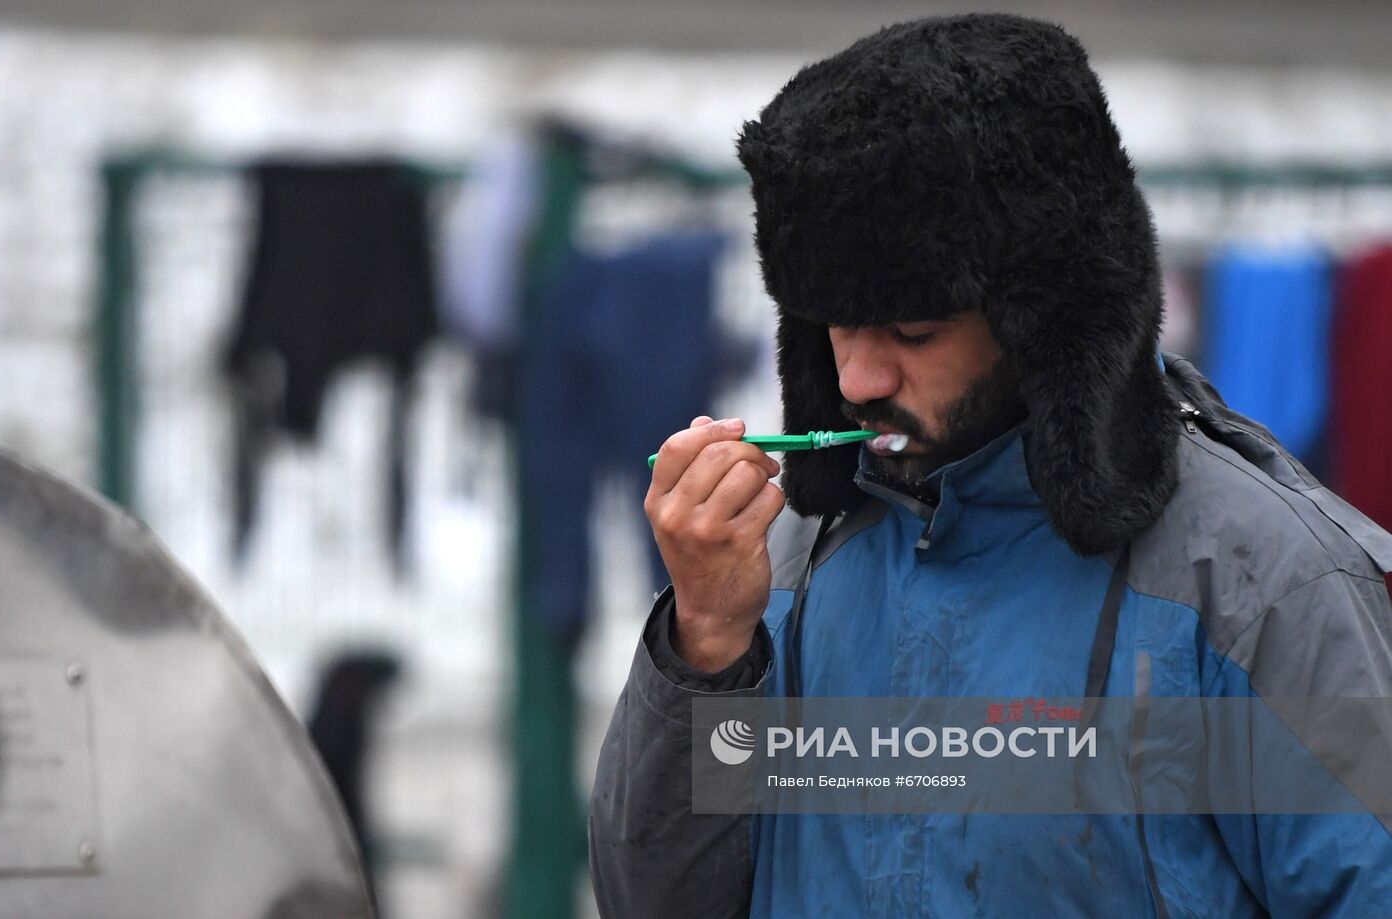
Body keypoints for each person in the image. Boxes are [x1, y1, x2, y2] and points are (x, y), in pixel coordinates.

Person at [588, 13, 1392, 918]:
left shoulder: (1259, 584)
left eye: (913, 330)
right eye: (834, 325)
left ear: (1044, 318)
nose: (856, 376)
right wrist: (705, 649)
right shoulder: (781, 566)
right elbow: (651, 901)